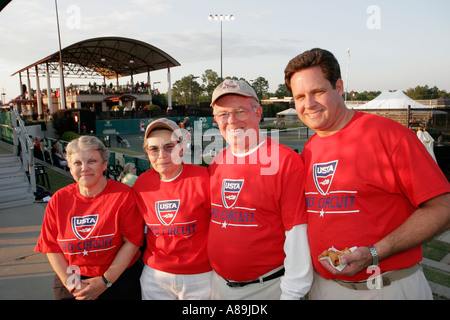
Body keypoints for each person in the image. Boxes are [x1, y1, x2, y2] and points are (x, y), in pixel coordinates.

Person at [284, 48, 450, 299]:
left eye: (318, 92)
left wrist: (374, 252)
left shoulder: (388, 135)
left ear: (338, 87)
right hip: (323, 288)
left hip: (386, 287)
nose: (308, 104)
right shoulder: (309, 149)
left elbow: (443, 208)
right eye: (299, 97)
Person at [207, 79, 312, 300]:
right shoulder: (217, 161)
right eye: (223, 114)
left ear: (258, 113)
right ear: (216, 120)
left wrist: (293, 293)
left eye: (240, 111)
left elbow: (296, 233)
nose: (232, 120)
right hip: (218, 285)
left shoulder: (285, 161)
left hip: (266, 289)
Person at [35, 135, 145, 300]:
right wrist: (72, 284)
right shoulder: (59, 199)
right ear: (70, 167)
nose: (84, 168)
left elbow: (132, 242)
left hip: (117, 278)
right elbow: (51, 246)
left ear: (104, 164)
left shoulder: (123, 195)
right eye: (77, 163)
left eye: (92, 161)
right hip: (72, 279)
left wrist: (105, 282)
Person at [133, 118, 212, 299]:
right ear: (147, 152)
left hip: (200, 276)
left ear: (181, 148)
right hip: (156, 277)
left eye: (169, 147)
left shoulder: (203, 178)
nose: (162, 154)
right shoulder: (142, 185)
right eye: (154, 149)